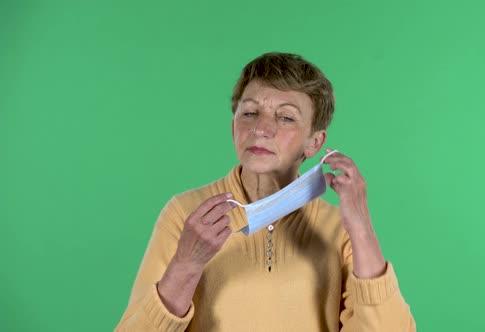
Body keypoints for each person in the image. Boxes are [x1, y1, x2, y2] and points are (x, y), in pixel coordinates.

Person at [116, 52, 416, 331]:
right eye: (249, 113)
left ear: (314, 143)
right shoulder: (186, 214)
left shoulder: (339, 229)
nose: (261, 128)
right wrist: (186, 264)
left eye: (285, 117)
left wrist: (361, 229)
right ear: (233, 128)